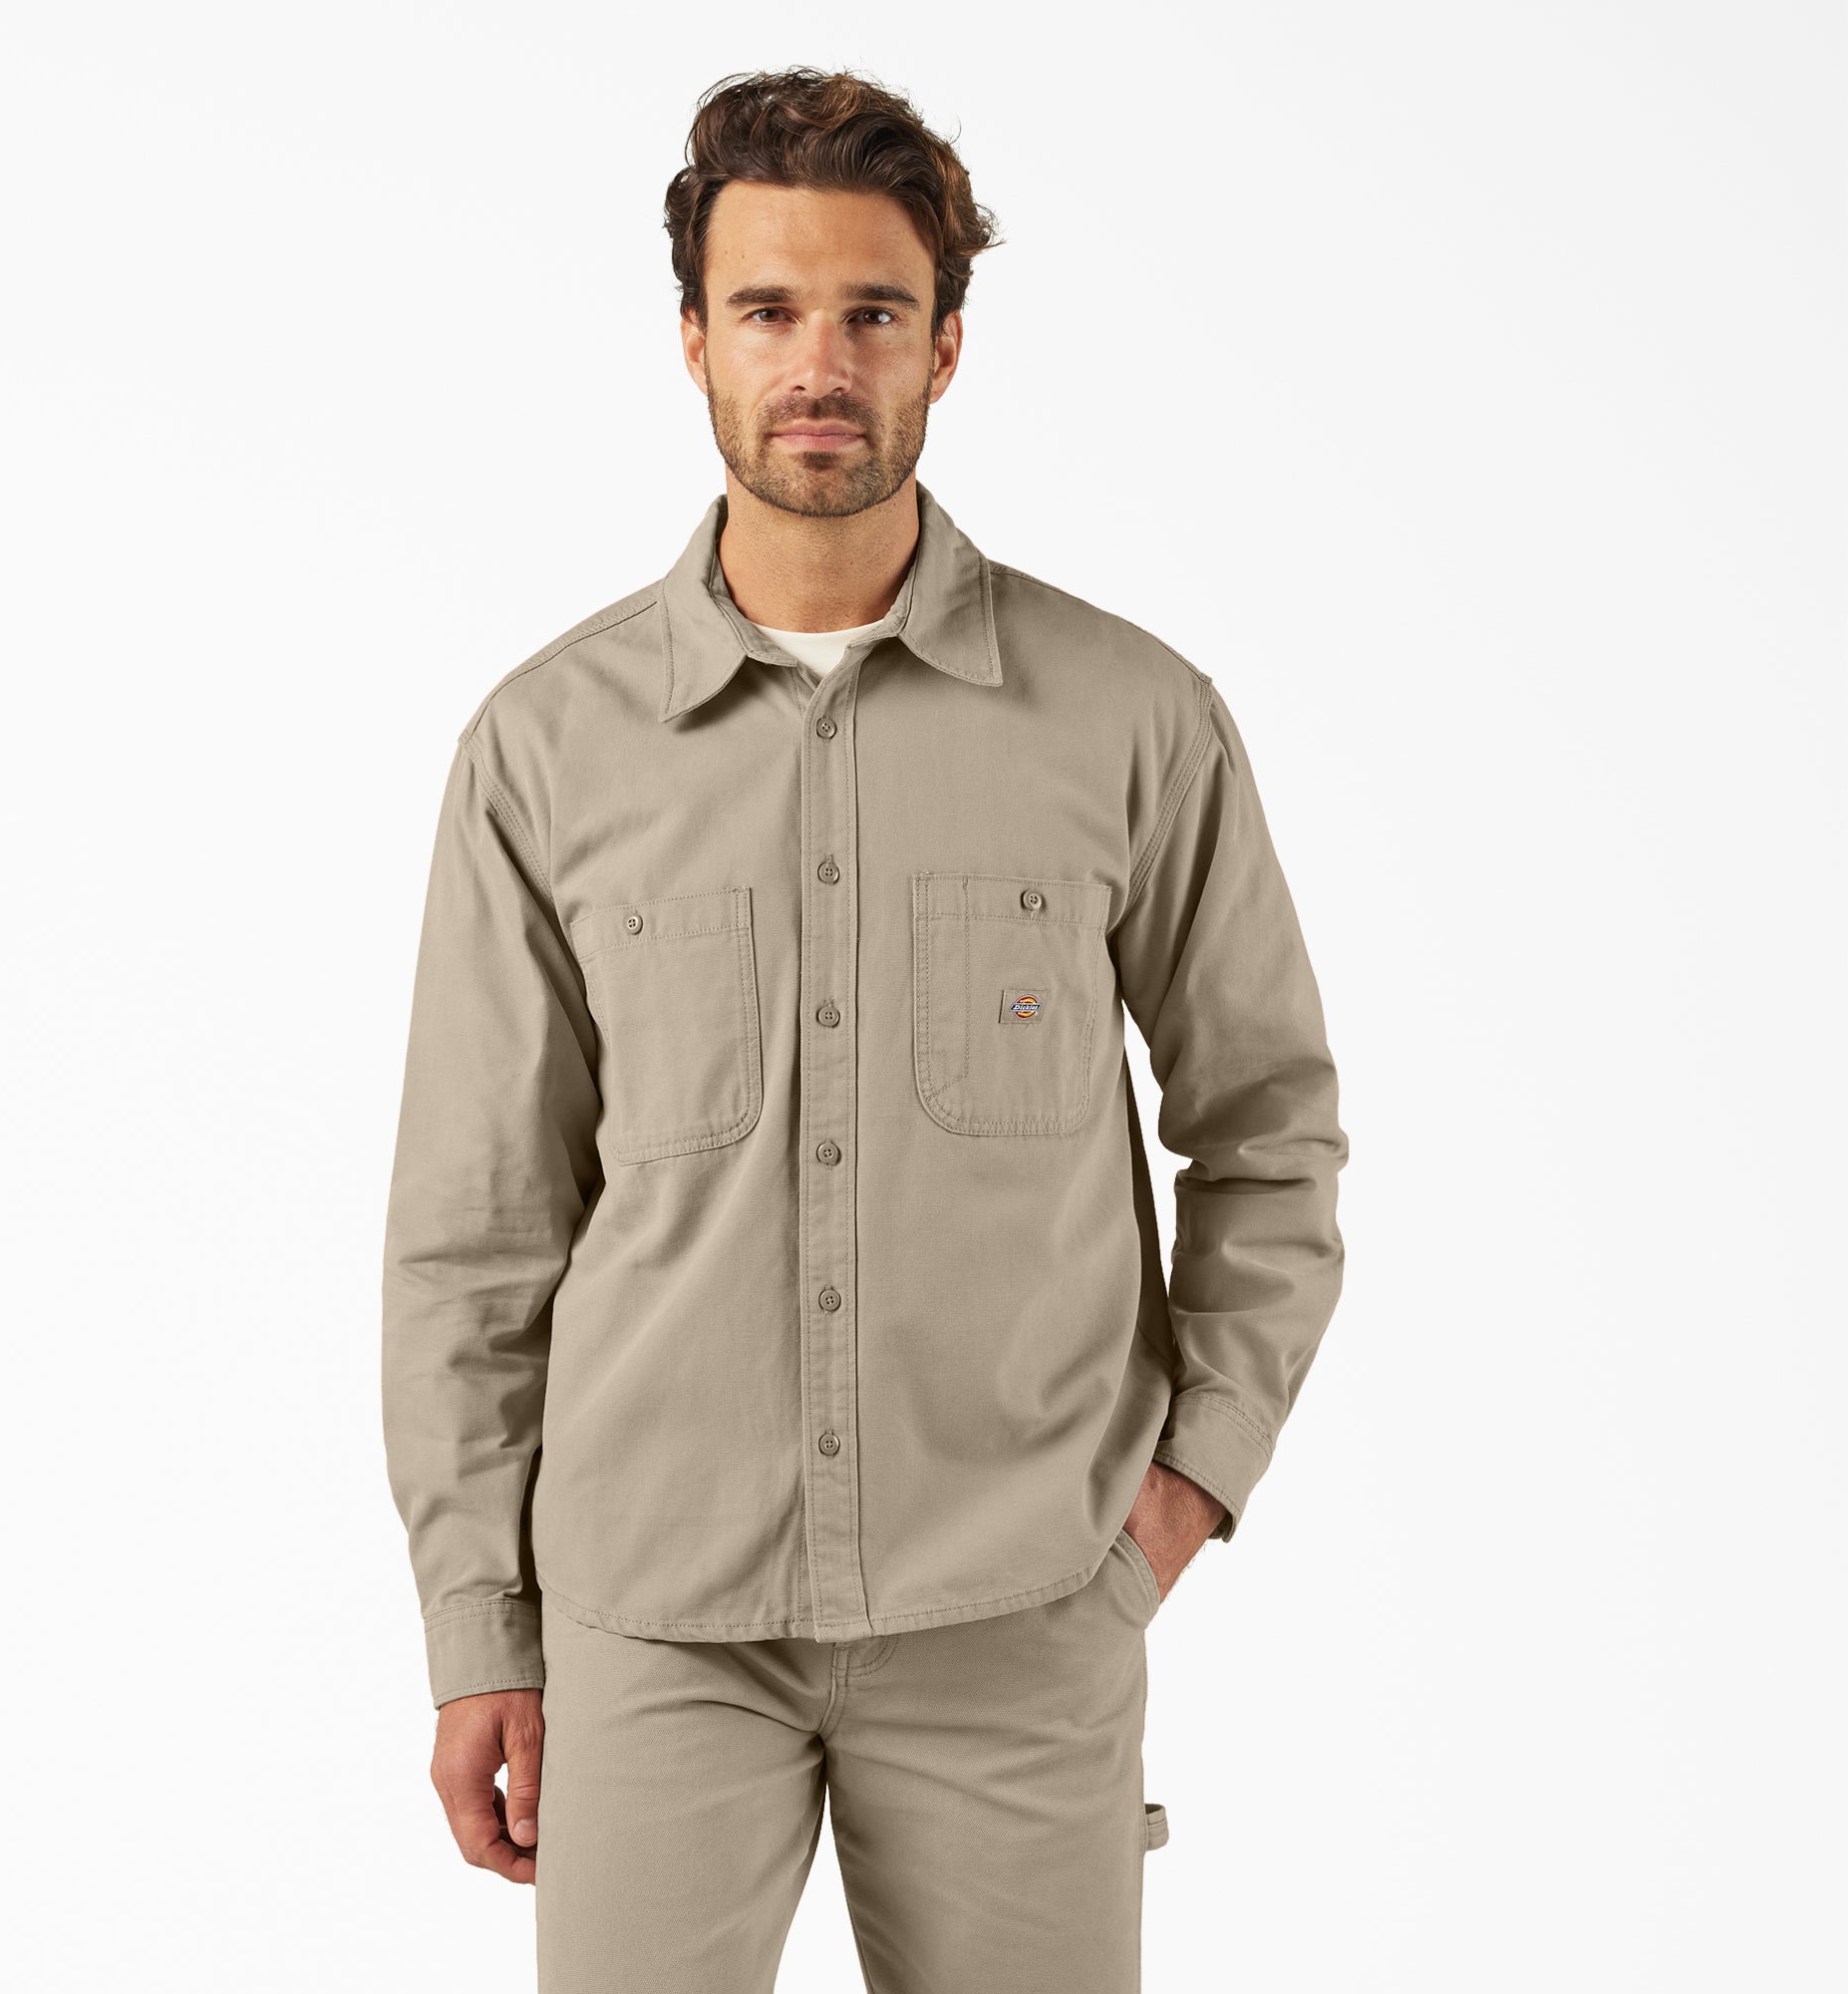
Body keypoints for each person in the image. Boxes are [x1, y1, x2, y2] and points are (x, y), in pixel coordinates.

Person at [382, 65, 1347, 1993]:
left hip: (1021, 1603)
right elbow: (477, 1232)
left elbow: (1270, 1136)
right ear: (693, 341)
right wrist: (482, 1627)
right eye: (768, 310)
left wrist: (1179, 1499)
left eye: (873, 312)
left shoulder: (1131, 720)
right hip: (652, 1621)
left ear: (946, 346)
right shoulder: (545, 750)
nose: (819, 364)